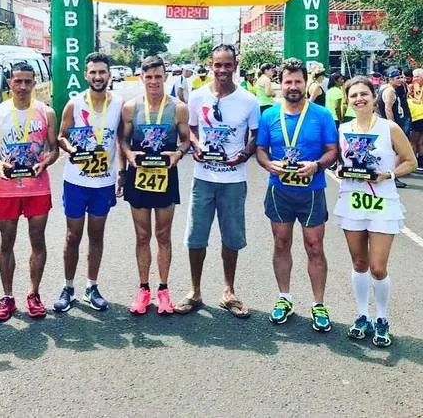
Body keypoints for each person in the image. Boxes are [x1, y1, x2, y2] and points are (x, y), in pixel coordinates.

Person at [175, 44, 260, 318]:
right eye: (217, 65)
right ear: (210, 65)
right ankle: (195, 291)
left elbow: (254, 136)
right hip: (204, 178)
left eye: (227, 65)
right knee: (196, 235)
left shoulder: (249, 101)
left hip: (234, 180)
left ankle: (228, 292)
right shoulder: (198, 97)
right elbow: (192, 130)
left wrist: (245, 154)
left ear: (236, 65)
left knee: (231, 237)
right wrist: (197, 147)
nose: (222, 70)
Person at [256, 57, 338, 332]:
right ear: (280, 84)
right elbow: (260, 150)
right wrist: (268, 165)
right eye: (288, 81)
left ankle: (319, 304)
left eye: (298, 81)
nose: (293, 86)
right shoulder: (268, 115)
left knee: (314, 246)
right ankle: (284, 298)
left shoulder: (322, 115)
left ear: (306, 83)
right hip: (279, 190)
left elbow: (332, 151)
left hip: (312, 191)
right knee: (281, 243)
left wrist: (317, 165)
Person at [334, 76, 416, 346]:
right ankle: (361, 315)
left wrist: (388, 174)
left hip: (382, 203)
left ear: (373, 97)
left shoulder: (389, 127)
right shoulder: (343, 129)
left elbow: (410, 161)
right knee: (359, 264)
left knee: (377, 267)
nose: (359, 99)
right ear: (348, 100)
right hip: (353, 201)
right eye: (353, 95)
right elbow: (339, 162)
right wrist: (338, 169)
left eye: (363, 94)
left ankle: (382, 318)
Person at [0, 62, 59, 321]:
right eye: (18, 81)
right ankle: (7, 297)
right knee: (7, 242)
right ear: (10, 83)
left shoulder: (46, 113)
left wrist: (44, 162)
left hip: (37, 186)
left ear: (34, 82)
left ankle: (33, 293)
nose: (23, 86)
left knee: (37, 240)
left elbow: (54, 149)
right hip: (7, 188)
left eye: (28, 81)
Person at [52, 52, 123, 312]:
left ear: (109, 74)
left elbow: (121, 141)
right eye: (92, 72)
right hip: (76, 182)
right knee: (72, 236)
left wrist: (122, 174)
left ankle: (91, 286)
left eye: (102, 72)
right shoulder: (74, 104)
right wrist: (72, 150)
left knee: (96, 234)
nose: (97, 77)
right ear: (85, 74)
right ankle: (68, 286)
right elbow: (61, 136)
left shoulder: (118, 104)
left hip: (103, 182)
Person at [120, 56, 190, 315]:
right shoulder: (130, 107)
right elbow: (123, 142)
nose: (153, 81)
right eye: (148, 77)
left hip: (165, 176)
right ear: (142, 78)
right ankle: (143, 289)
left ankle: (163, 289)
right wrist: (128, 157)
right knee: (142, 236)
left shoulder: (178, 108)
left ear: (165, 77)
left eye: (158, 76)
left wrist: (179, 154)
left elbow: (185, 140)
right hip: (138, 177)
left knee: (163, 236)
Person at [377, 69, 411, 188]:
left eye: (401, 77)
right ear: (390, 79)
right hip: (395, 125)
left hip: (396, 123)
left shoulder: (387, 89)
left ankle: (391, 175)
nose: (401, 80)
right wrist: (392, 125)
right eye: (397, 78)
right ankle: (393, 177)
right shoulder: (390, 91)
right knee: (398, 152)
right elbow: (388, 108)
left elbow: (376, 105)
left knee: (394, 151)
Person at [408, 69, 423, 172]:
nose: (415, 79)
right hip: (416, 117)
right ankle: (419, 163)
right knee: (418, 142)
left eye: (418, 76)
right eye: (414, 77)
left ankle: (413, 163)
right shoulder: (414, 86)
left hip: (419, 118)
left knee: (414, 142)